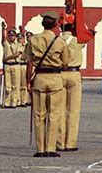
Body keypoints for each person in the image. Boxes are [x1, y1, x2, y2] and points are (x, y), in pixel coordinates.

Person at [25, 11, 69, 158]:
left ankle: (40, 149)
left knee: (38, 115)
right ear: (56, 24)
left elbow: (29, 63)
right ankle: (51, 148)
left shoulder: (33, 40)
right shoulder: (60, 41)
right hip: (55, 78)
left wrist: (27, 82)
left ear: (42, 24)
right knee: (54, 114)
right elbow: (65, 64)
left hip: (39, 79)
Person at [57, 19, 91, 152]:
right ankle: (70, 143)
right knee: (73, 110)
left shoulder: (56, 41)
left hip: (59, 74)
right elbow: (88, 32)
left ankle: (59, 141)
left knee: (59, 109)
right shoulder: (78, 41)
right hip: (74, 73)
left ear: (60, 28)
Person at [1, 23, 21, 108]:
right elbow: (2, 39)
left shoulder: (18, 44)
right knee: (7, 85)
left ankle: (14, 102)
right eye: (10, 36)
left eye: (13, 36)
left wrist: (7, 58)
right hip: (7, 66)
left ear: (15, 36)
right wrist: (3, 29)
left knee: (15, 85)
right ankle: (7, 102)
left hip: (15, 65)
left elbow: (17, 54)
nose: (11, 37)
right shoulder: (6, 43)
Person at [17, 31, 29, 107]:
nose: (19, 40)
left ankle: (23, 101)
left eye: (21, 38)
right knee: (17, 84)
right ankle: (18, 101)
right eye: (18, 38)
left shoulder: (26, 46)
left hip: (24, 65)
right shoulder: (16, 46)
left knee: (24, 84)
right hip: (18, 65)